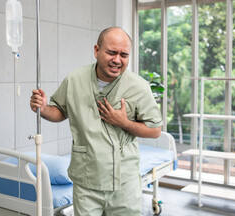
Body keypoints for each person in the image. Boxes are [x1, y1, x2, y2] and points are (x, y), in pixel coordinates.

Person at [30, 27, 163, 216]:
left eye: (124, 55)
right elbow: (59, 111)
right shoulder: (75, 79)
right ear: (96, 50)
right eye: (111, 52)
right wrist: (43, 109)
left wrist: (124, 123)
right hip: (87, 179)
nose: (117, 60)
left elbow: (155, 130)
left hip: (124, 182)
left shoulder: (138, 87)